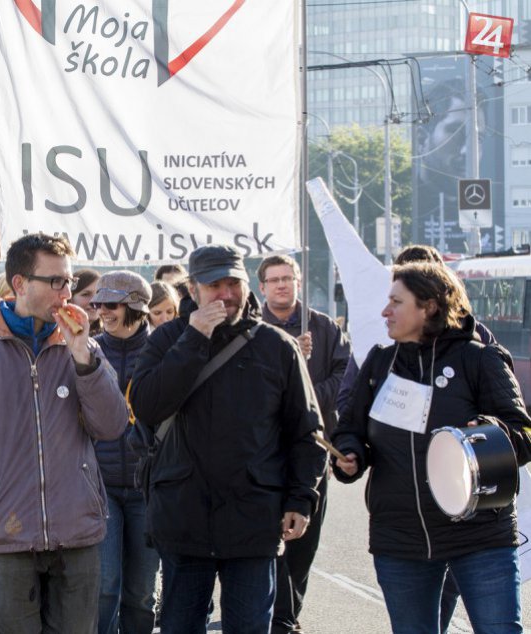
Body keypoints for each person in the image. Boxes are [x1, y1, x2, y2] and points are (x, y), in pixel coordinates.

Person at [0, 232, 129, 633]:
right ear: (20, 284)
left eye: (69, 281)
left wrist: (83, 358)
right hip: (6, 532)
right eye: (56, 281)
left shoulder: (83, 346)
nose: (67, 292)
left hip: (77, 531)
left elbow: (111, 426)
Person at [130, 244, 325, 634]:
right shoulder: (168, 339)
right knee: (180, 626)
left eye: (232, 283)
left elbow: (307, 433)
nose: (225, 294)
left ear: (246, 285)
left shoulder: (277, 347)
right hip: (183, 517)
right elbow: (147, 406)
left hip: (253, 518)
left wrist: (301, 498)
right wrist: (195, 338)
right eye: (214, 284)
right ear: (193, 289)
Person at [332, 262, 531, 634]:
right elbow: (350, 429)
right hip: (401, 537)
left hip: (479, 534)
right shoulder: (380, 362)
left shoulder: (479, 358)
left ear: (430, 307)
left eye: (396, 302)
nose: (384, 311)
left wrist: (492, 432)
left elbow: (522, 433)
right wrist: (350, 455)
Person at [255, 254, 351, 634]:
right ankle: (274, 617)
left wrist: (308, 394)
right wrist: (289, 358)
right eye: (274, 279)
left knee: (303, 544)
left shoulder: (323, 327)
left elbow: (346, 375)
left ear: (298, 282)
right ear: (261, 286)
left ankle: (288, 615)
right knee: (266, 541)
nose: (282, 285)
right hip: (264, 452)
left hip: (313, 450)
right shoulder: (252, 329)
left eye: (288, 278)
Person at [90, 271, 159, 634]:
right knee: (103, 588)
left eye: (111, 304)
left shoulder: (164, 350)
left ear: (136, 306)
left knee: (142, 592)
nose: (102, 310)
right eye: (98, 303)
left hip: (149, 487)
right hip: (99, 487)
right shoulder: (86, 349)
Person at [73, 268, 102, 335]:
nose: (94, 301)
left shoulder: (111, 336)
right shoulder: (57, 336)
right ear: (70, 298)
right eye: (86, 294)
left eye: (98, 294)